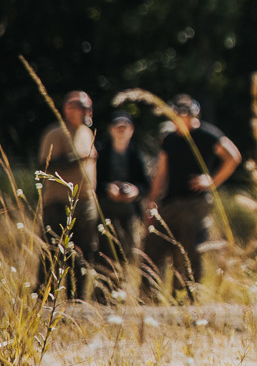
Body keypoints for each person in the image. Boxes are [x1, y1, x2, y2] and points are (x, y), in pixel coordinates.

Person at [142, 94, 241, 301]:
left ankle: (187, 298)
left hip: (196, 202)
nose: (178, 118)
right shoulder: (169, 139)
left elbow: (233, 157)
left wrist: (212, 181)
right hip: (170, 202)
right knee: (153, 246)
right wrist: (152, 200)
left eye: (183, 114)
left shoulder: (207, 134)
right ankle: (149, 297)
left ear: (193, 115)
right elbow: (161, 172)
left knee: (190, 251)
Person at [36, 90, 98, 300]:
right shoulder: (56, 133)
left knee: (83, 252)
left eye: (88, 106)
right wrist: (79, 159)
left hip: (86, 201)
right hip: (58, 202)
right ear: (68, 109)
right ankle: (46, 298)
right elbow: (47, 165)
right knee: (53, 252)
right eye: (81, 106)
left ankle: (78, 299)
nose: (86, 111)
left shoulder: (87, 132)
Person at [95, 113, 150, 290]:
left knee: (127, 251)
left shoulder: (135, 154)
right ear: (111, 130)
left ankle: (121, 290)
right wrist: (107, 189)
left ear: (131, 131)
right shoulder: (100, 152)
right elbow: (92, 182)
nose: (121, 131)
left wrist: (134, 191)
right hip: (105, 208)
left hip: (129, 210)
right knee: (103, 250)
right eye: (117, 127)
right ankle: (102, 292)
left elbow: (144, 184)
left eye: (124, 127)